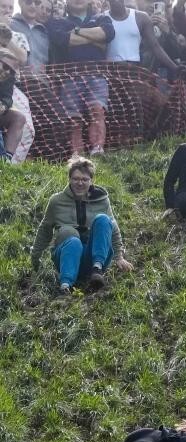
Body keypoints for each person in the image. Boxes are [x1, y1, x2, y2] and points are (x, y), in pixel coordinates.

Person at [31, 156, 134, 294]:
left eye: (84, 179)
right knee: (70, 236)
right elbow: (45, 229)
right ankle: (65, 286)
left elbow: (112, 228)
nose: (80, 183)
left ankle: (97, 270)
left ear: (91, 181)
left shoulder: (102, 200)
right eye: (76, 179)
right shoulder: (56, 201)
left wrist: (119, 257)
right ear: (69, 179)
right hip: (67, 257)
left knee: (103, 220)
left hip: (94, 256)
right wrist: (35, 258)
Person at [46, 0, 114, 155]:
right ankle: (77, 154)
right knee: (73, 119)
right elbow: (62, 40)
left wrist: (75, 31)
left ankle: (97, 149)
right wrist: (95, 39)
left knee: (97, 111)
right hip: (69, 78)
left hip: (97, 75)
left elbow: (108, 33)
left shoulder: (101, 17)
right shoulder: (57, 22)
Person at [104, 0, 183, 76]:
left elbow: (155, 46)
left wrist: (175, 67)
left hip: (134, 71)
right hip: (110, 71)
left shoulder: (141, 17)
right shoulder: (101, 18)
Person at [0, 47, 27, 163]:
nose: (7, 72)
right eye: (5, 66)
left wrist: (3, 106)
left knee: (19, 117)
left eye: (11, 71)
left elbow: (7, 98)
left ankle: (6, 159)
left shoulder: (8, 79)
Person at [10, 0, 51, 71]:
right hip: (15, 80)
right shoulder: (9, 25)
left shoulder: (44, 32)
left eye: (37, 3)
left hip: (41, 80)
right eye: (29, 2)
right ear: (20, 3)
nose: (33, 5)